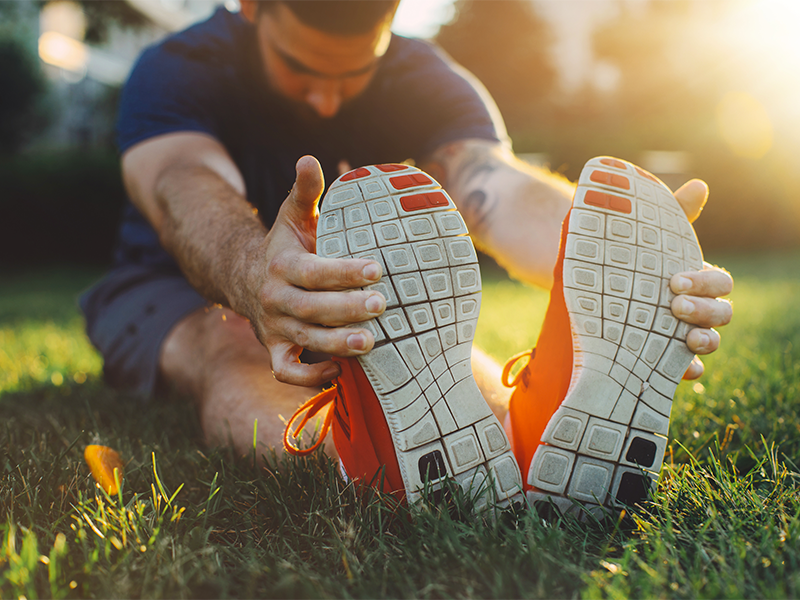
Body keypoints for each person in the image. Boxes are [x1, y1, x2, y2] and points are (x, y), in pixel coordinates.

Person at [81, 0, 733, 508]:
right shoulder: (178, 66)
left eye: (354, 71)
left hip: (366, 287)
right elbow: (178, 185)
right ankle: (358, 467)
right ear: (253, 7)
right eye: (302, 68)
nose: (326, 100)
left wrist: (607, 248)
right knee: (237, 345)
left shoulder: (425, 75)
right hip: (171, 288)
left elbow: (491, 185)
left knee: (438, 368)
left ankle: (526, 450)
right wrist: (258, 278)